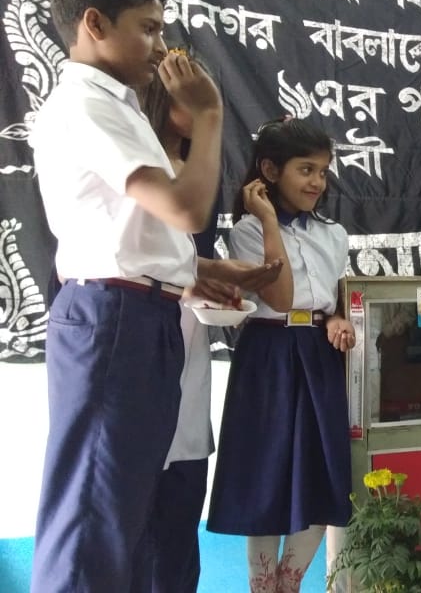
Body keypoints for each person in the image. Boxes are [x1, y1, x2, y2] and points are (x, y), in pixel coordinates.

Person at [29, 0, 231, 592]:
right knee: (93, 518)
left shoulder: (118, 106)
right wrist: (209, 117)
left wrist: (195, 270)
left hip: (138, 316)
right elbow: (186, 209)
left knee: (124, 514)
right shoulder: (88, 104)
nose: (160, 46)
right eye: (148, 28)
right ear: (94, 23)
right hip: (113, 320)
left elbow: (130, 233)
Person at [135, 54, 283, 593]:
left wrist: (213, 279)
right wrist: (201, 276)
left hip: (189, 339)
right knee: (132, 504)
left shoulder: (198, 168)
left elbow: (185, 256)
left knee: (180, 498)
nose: (202, 105)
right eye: (188, 93)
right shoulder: (132, 162)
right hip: (133, 334)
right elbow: (131, 256)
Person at [206, 117, 355, 593]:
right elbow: (281, 297)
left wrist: (335, 318)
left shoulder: (334, 233)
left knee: (321, 473)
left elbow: (335, 298)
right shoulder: (249, 231)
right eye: (305, 169)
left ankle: (289, 585)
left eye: (323, 171)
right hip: (267, 357)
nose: (317, 182)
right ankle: (262, 587)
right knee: (265, 476)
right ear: (270, 170)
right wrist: (271, 220)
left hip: (319, 356)